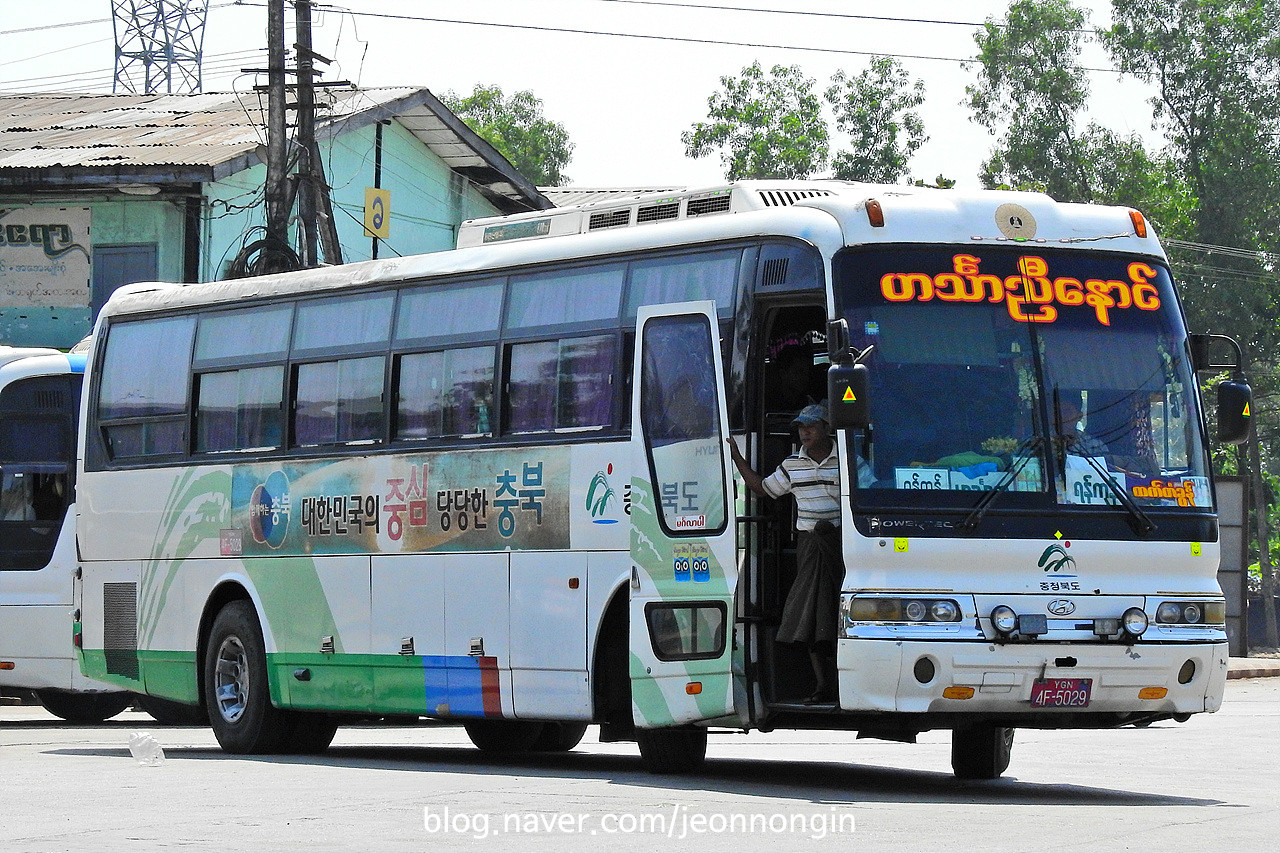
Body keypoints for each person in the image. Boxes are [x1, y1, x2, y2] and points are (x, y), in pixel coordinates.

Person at [727, 402, 842, 704]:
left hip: (841, 547)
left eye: (812, 426)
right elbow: (763, 489)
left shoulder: (844, 462)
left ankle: (840, 685)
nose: (805, 431)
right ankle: (822, 686)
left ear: (826, 429)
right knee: (810, 618)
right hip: (809, 547)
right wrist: (738, 458)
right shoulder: (792, 465)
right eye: (801, 426)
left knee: (837, 615)